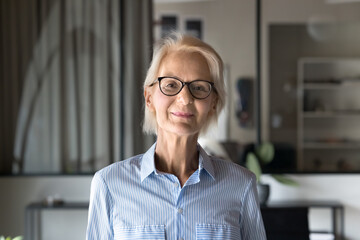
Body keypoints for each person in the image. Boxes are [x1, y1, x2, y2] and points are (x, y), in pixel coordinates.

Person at [86, 32, 266, 240]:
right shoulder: (109, 184)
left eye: (198, 88)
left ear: (213, 103)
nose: (185, 98)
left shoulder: (241, 185)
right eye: (171, 85)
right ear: (149, 98)